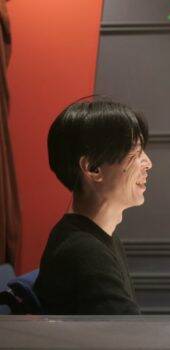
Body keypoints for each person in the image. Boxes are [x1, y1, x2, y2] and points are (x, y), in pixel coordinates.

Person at [34, 99, 152, 314]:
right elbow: (127, 333)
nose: (148, 163)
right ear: (93, 168)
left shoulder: (98, 238)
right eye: (135, 153)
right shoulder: (84, 253)